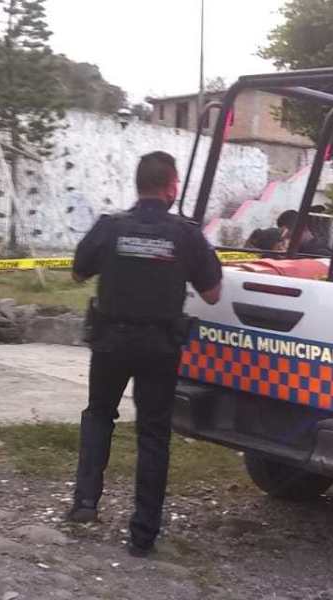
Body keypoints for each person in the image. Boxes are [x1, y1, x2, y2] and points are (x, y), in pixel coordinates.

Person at [68, 151, 223, 558]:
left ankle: (85, 502)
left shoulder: (110, 226)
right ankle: (143, 535)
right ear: (172, 185)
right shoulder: (186, 235)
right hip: (159, 347)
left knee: (99, 415)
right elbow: (212, 292)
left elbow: (78, 271)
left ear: (138, 185)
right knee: (153, 435)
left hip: (109, 342)